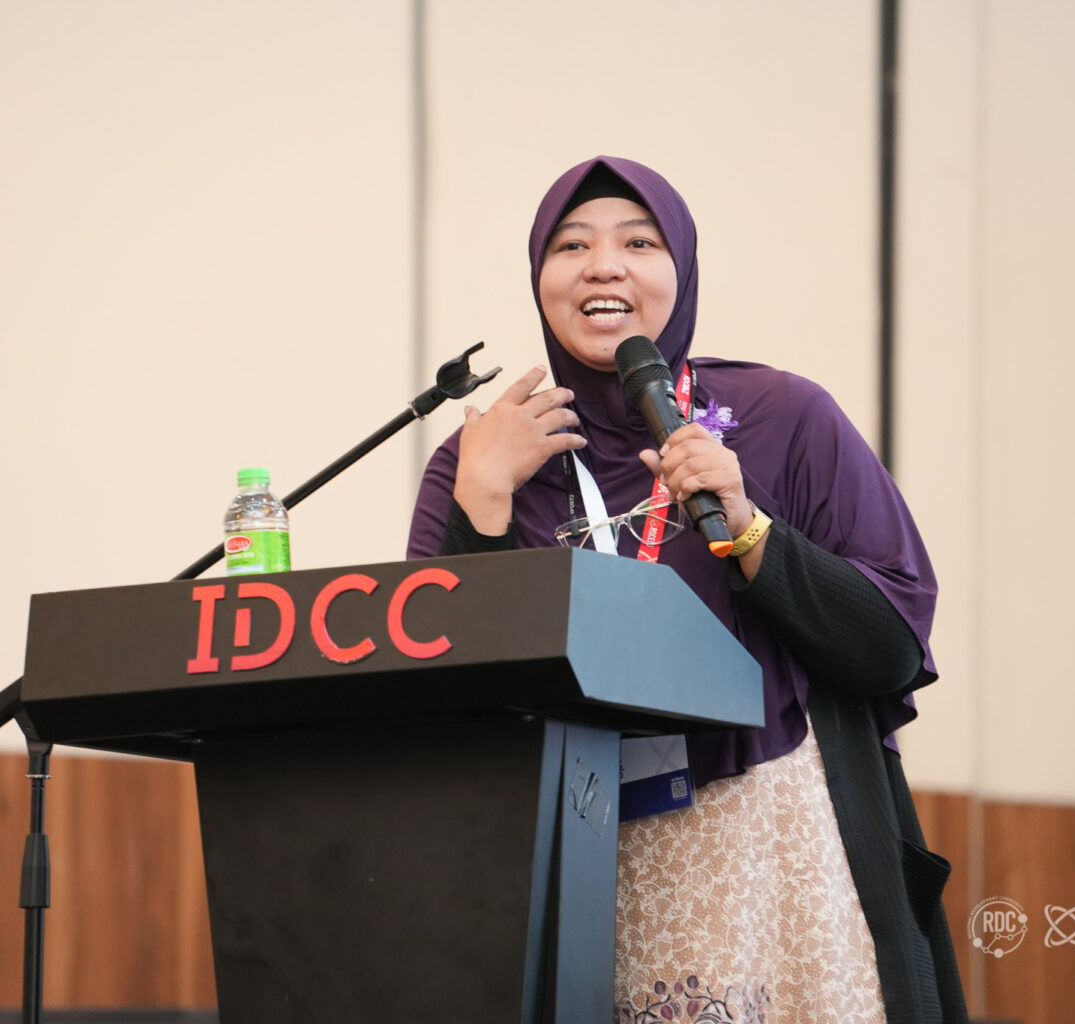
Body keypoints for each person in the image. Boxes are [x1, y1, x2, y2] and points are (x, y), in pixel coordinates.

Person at [406, 156, 965, 1024]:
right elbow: (435, 701)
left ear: (683, 270)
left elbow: (891, 645)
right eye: (571, 246)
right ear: (539, 278)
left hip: (768, 858)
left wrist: (749, 527)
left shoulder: (786, 418)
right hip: (562, 863)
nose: (603, 267)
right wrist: (480, 503)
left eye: (639, 243)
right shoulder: (481, 456)